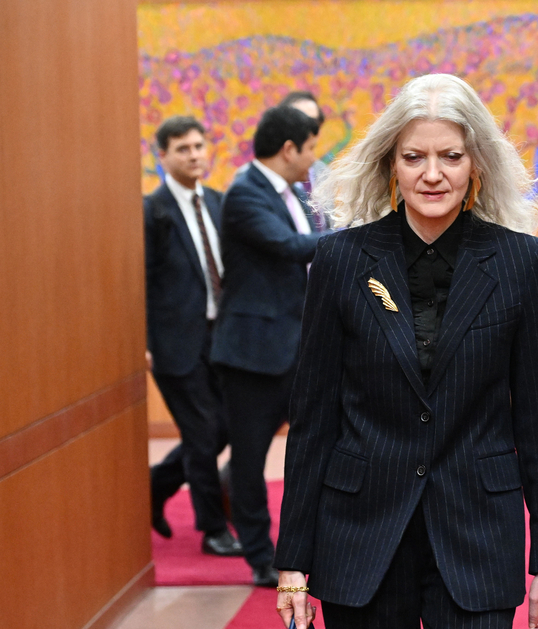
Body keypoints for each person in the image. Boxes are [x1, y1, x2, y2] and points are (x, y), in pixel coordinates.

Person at [273, 73, 538, 629]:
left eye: (450, 156)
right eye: (414, 157)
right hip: (360, 534)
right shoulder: (339, 260)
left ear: (475, 164)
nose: (432, 174)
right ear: (392, 164)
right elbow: (312, 420)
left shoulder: (520, 262)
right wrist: (293, 561)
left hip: (478, 535)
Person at [211, 105, 323, 586]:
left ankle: (314, 541)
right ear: (289, 149)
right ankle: (260, 555)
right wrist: (356, 237)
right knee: (249, 460)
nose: (315, 158)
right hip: (253, 354)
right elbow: (289, 247)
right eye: (312, 147)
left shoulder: (294, 192)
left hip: (298, 348)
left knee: (319, 447)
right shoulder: (245, 193)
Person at [144, 115, 242, 557]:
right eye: (183, 149)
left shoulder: (219, 203)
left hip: (220, 337)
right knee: (203, 433)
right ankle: (213, 529)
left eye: (199, 146)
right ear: (163, 156)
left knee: (223, 428)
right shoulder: (152, 211)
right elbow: (141, 282)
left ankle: (156, 484)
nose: (194, 155)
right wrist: (144, 342)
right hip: (175, 343)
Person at [279, 89, 331, 212]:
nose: (307, 129)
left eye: (313, 122)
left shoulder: (322, 172)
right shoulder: (264, 175)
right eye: (298, 120)